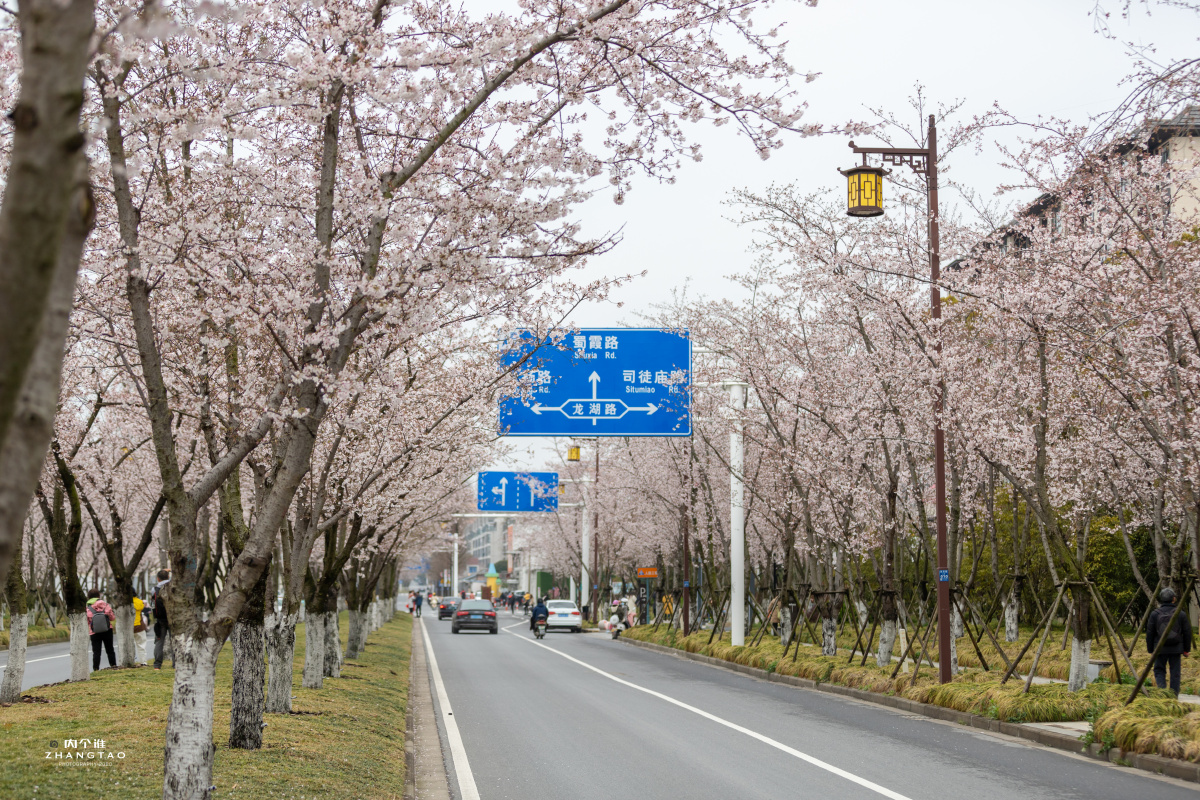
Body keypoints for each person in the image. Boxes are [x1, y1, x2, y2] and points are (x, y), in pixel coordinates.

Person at [1147, 587, 1193, 695]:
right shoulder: (1180, 614)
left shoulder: (1155, 614)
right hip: (1176, 648)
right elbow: (1187, 632)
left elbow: (1150, 633)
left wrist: (1151, 649)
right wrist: (1186, 649)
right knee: (1175, 673)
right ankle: (1173, 695)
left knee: (1159, 670)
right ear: (1174, 599)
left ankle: (1163, 694)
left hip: (1159, 648)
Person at [86, 589, 117, 670]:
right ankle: (113, 666)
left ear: (88, 597)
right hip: (107, 630)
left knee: (96, 652)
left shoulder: (87, 607)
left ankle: (96, 669)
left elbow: (86, 621)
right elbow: (112, 618)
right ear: (99, 596)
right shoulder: (105, 605)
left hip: (94, 631)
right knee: (110, 649)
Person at [152, 569, 171, 671]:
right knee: (176, 641)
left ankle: (157, 665)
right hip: (173, 618)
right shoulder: (173, 586)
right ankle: (176, 664)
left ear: (158, 578)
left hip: (160, 619)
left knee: (159, 641)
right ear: (168, 577)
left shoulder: (154, 589)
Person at [131, 591, 148, 664]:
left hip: (129, 627)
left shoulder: (125, 603)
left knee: (130, 646)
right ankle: (143, 662)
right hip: (139, 626)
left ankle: (131, 661)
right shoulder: (139, 602)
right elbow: (142, 607)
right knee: (141, 645)